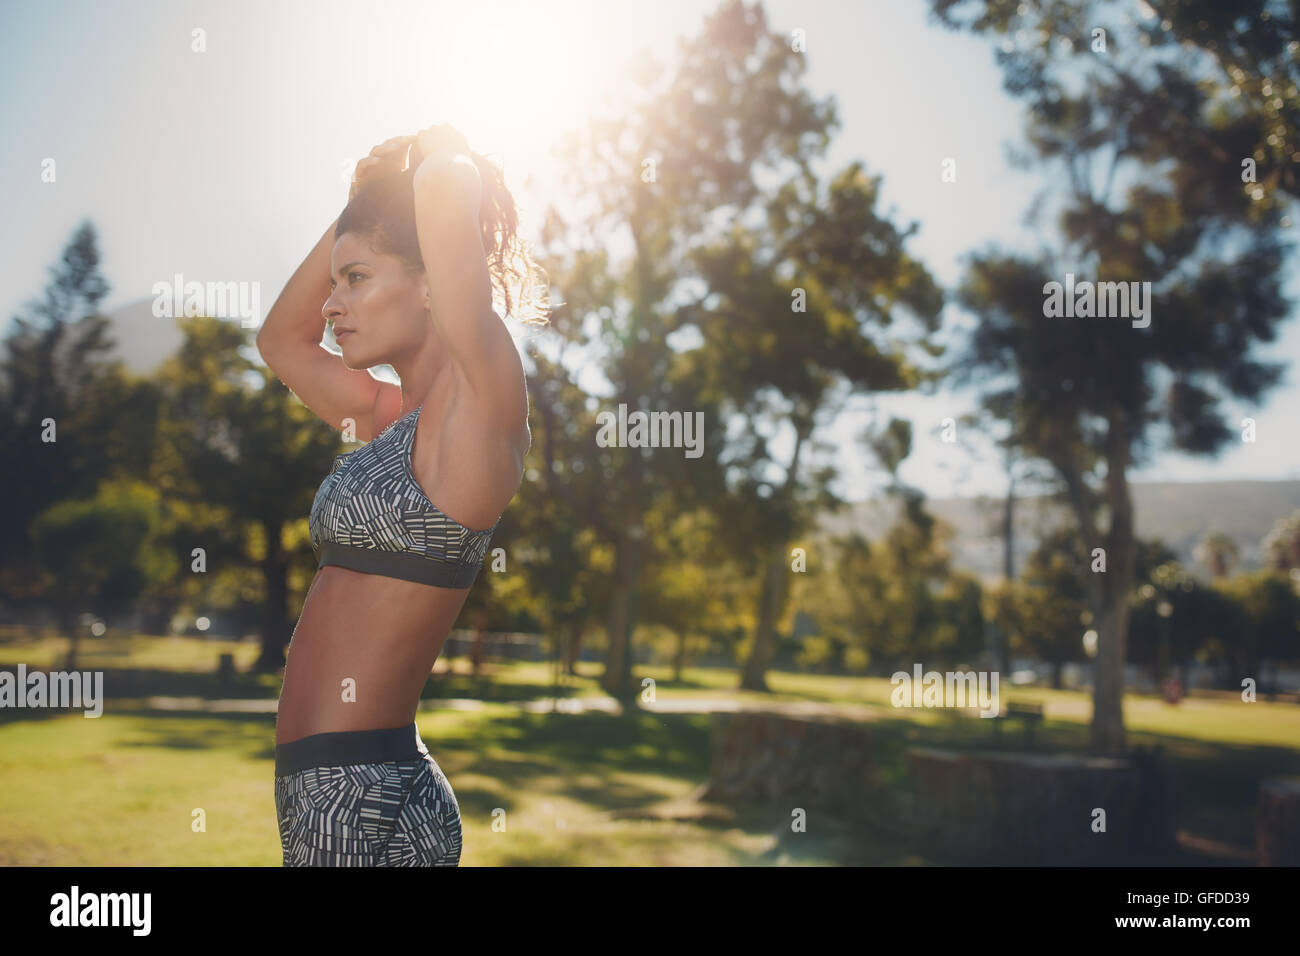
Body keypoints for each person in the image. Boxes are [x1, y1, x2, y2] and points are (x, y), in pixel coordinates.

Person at [256, 125, 548, 865]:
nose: (331, 304)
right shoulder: (389, 419)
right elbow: (280, 344)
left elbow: (448, 194)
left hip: (365, 801)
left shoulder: (480, 409)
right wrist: (363, 206)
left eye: (355, 279)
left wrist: (439, 156)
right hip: (335, 794)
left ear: (430, 284)